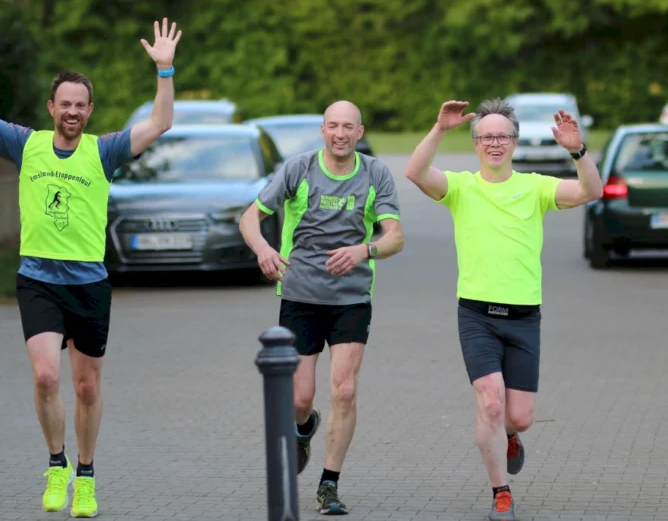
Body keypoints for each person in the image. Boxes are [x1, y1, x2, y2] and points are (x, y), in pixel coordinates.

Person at [0, 7, 181, 517]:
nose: (72, 111)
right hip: (38, 279)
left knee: (86, 386)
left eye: (80, 105)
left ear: (89, 111)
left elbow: (160, 122)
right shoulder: (26, 144)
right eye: (64, 103)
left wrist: (164, 69)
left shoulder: (104, 151)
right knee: (46, 377)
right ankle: (56, 463)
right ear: (51, 107)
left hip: (88, 283)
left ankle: (85, 475)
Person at [404, 98, 603, 521]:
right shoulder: (460, 188)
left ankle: (511, 436)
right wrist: (439, 130)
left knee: (519, 417)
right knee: (491, 404)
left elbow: (591, 191)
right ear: (475, 143)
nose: (495, 143)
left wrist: (578, 151)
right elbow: (415, 172)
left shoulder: (536, 187)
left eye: (502, 136)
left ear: (514, 142)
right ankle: (501, 493)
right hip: (476, 315)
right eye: (487, 136)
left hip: (524, 317)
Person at [239, 100, 404, 516]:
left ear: (360, 132)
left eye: (348, 127)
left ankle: (329, 484)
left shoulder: (375, 173)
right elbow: (249, 218)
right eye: (333, 126)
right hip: (300, 296)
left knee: (344, 390)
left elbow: (395, 237)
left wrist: (364, 250)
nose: (340, 134)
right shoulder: (298, 169)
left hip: (351, 298)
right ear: (323, 130)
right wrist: (264, 250)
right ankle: (303, 426)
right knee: (300, 397)